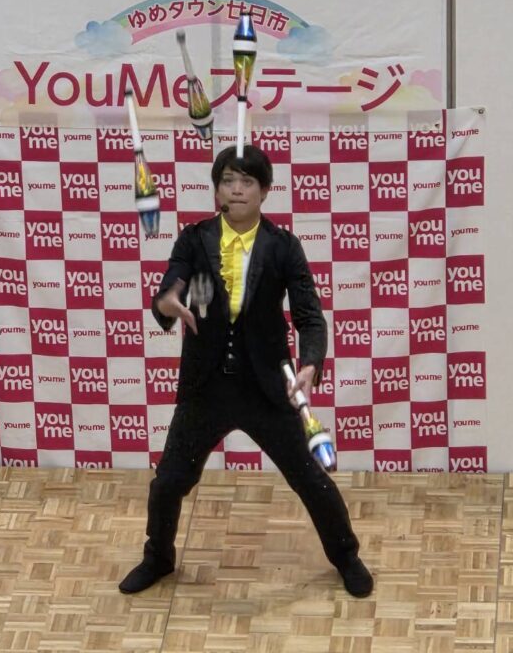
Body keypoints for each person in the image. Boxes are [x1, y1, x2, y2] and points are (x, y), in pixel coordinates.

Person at [119, 145, 373, 598]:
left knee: (310, 478)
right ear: (217, 189)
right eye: (228, 181)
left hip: (267, 386)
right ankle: (158, 557)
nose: (236, 190)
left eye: (247, 181)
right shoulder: (194, 239)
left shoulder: (283, 246)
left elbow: (310, 317)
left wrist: (310, 363)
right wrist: (167, 302)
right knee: (169, 481)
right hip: (206, 385)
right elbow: (170, 288)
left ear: (264, 191)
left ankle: (347, 556)